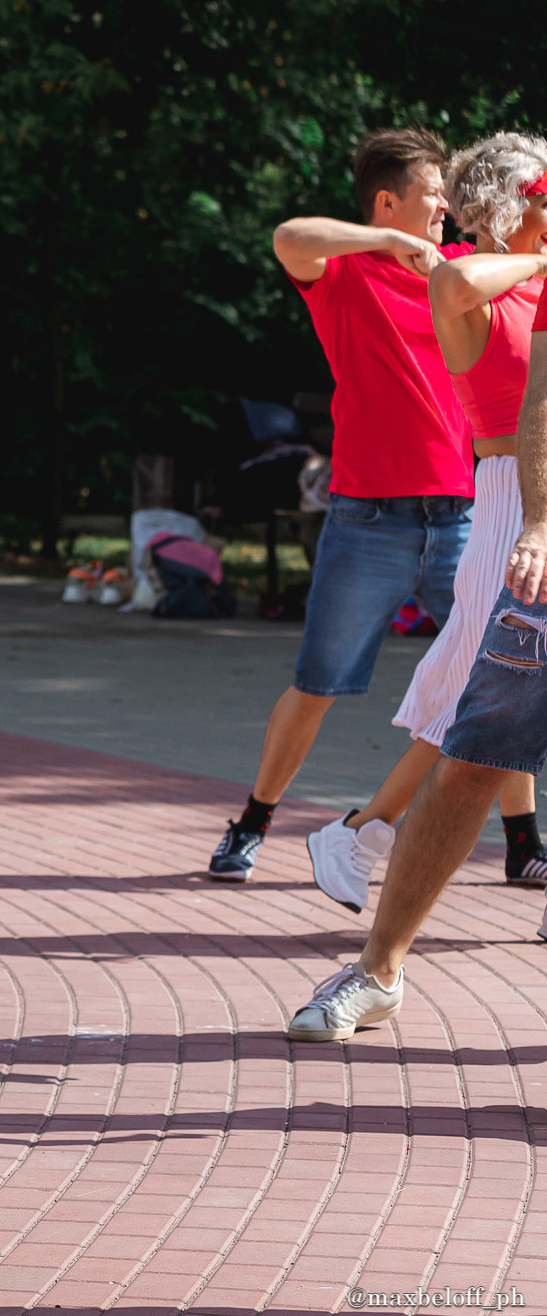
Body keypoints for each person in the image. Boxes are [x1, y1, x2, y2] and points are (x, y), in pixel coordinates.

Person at [288, 131, 547, 1040]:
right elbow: (449, 286)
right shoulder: (479, 275)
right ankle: (376, 947)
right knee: (469, 744)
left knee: (467, 726)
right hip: (509, 503)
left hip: (505, 513)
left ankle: (360, 836)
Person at [214, 129, 470, 882]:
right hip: (368, 519)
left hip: (461, 514)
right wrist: (387, 243)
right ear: (390, 201)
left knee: (496, 674)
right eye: (433, 194)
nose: (446, 209)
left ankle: (524, 844)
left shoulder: (457, 271)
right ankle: (254, 821)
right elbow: (289, 236)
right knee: (318, 682)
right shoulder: (348, 274)